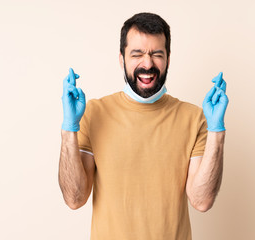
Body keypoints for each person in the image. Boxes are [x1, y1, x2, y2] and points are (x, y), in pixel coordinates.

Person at [59, 12, 229, 240]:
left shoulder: (193, 118)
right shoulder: (94, 113)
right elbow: (74, 198)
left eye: (157, 54)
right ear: (121, 59)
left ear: (168, 57)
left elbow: (202, 200)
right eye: (137, 54)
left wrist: (216, 131)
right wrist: (70, 128)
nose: (147, 64)